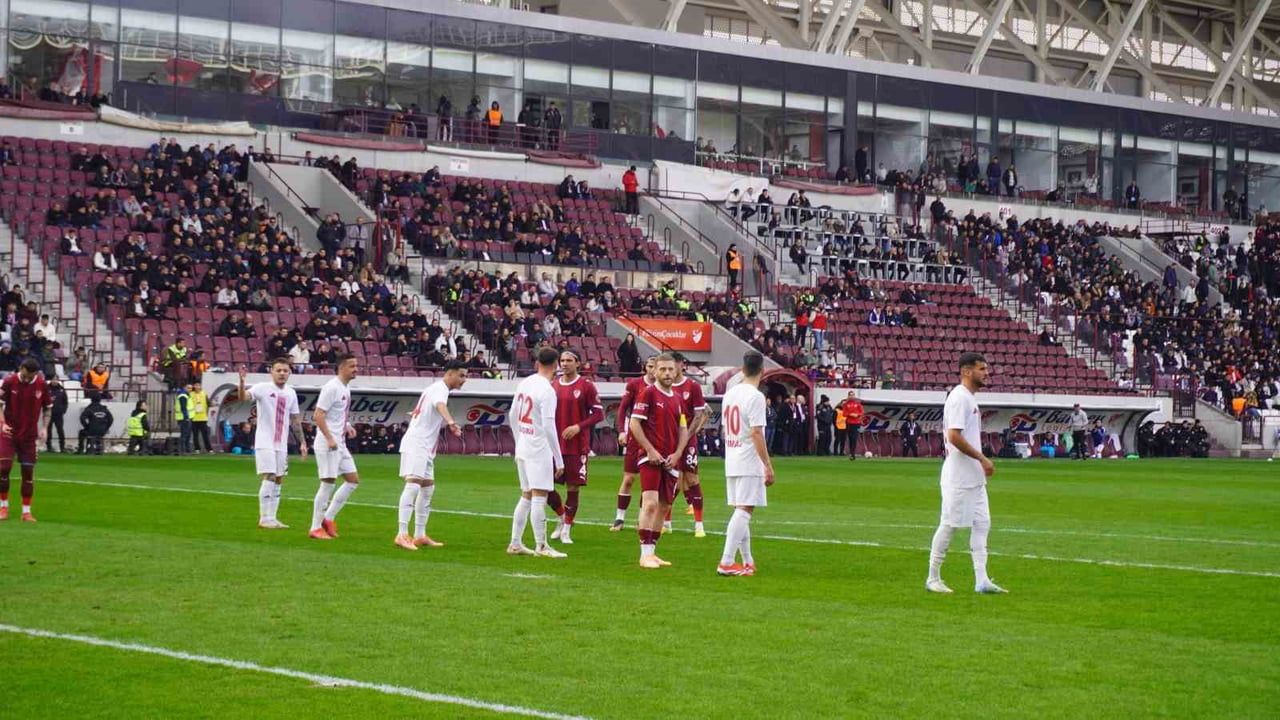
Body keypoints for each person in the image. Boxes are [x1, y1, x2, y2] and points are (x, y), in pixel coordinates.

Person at [926, 352, 1005, 594]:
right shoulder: (960, 398)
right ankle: (933, 578)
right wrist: (982, 458)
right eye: (982, 368)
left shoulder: (969, 398)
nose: (986, 372)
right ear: (966, 371)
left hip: (973, 476)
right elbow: (954, 436)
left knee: (982, 523)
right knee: (949, 524)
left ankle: (981, 580)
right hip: (959, 475)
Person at [395, 360, 466, 550]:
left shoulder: (435, 388)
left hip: (425, 447)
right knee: (413, 486)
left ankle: (420, 535)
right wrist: (451, 422)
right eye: (461, 375)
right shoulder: (440, 389)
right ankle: (401, 534)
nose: (464, 380)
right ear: (450, 373)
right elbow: (440, 405)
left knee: (427, 489)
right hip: (417, 444)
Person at [505, 347, 568, 558]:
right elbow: (550, 427)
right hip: (538, 447)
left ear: (537, 363)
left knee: (526, 496)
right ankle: (542, 546)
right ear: (556, 364)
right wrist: (558, 460)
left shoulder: (526, 382)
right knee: (539, 496)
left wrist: (518, 441)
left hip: (523, 445)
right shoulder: (547, 390)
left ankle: (515, 543)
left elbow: (512, 414)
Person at [628, 353, 689, 569]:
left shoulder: (678, 398)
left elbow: (683, 429)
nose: (667, 373)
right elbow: (634, 424)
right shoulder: (648, 393)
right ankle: (644, 554)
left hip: (671, 459)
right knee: (651, 503)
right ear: (654, 371)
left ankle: (652, 552)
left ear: (677, 370)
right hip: (650, 458)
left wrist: (678, 453)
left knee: (664, 506)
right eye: (662, 369)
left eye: (670, 369)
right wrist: (650, 450)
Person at [717, 351, 773, 576]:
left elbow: (725, 429)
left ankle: (748, 561)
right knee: (744, 510)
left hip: (732, 456)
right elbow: (757, 433)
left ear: (742, 369)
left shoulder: (730, 394)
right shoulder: (756, 396)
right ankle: (726, 561)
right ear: (763, 371)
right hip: (748, 459)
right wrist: (767, 465)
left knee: (742, 509)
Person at [237, 360, 307, 530]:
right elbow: (243, 397)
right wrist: (241, 382)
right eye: (278, 370)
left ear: (289, 373)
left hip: (281, 443)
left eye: (285, 370)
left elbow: (295, 419)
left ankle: (273, 518)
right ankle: (264, 518)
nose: (282, 373)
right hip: (264, 441)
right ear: (272, 372)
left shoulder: (291, 393)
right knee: (269, 476)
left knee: (279, 479)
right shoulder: (262, 388)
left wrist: (302, 442)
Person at [548, 350, 603, 545]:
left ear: (578, 363)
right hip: (554, 445)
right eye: (562, 360)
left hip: (576, 446)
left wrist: (578, 426)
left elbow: (598, 414)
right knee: (545, 486)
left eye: (569, 360)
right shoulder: (553, 385)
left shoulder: (586, 386)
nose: (564, 364)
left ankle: (567, 530)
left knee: (573, 488)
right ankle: (562, 517)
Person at [308, 354, 361, 541]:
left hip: (339, 442)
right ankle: (315, 527)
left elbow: (334, 415)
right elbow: (318, 415)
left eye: (356, 365)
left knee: (353, 480)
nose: (356, 369)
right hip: (328, 443)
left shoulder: (345, 388)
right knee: (328, 483)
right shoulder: (331, 387)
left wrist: (347, 426)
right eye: (352, 366)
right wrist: (330, 438)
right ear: (341, 368)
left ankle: (328, 519)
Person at [0, 359, 52, 521]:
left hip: (29, 435)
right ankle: (3, 508)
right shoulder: (9, 382)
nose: (28, 378)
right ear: (21, 369)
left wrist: (44, 428)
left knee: (28, 472)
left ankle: (26, 512)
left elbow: (47, 409)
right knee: (3, 468)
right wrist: (2, 423)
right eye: (26, 375)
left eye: (32, 376)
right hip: (9, 432)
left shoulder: (42, 385)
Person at [611, 355, 657, 531]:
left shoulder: (664, 388)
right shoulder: (634, 385)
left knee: (649, 482)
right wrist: (622, 431)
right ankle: (619, 518)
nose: (653, 370)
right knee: (629, 478)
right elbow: (623, 408)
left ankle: (642, 518)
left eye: (656, 366)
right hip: (634, 438)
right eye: (651, 366)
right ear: (646, 367)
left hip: (654, 440)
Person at [672, 353, 709, 537]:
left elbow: (700, 414)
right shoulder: (663, 386)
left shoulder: (692, 386)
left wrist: (686, 436)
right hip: (668, 440)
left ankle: (699, 525)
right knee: (672, 481)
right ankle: (666, 523)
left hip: (688, 441)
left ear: (681, 365)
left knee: (692, 479)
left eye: (673, 365)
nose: (670, 370)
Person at [45, 377, 67, 453]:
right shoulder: (46, 389)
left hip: (58, 413)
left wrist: (63, 410)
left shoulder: (61, 389)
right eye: (53, 379)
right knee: (48, 430)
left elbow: (65, 401)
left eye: (56, 380)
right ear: (51, 380)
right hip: (49, 413)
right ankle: (48, 446)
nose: (54, 381)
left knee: (60, 430)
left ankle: (62, 447)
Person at [189, 380, 211, 453]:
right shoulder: (190, 394)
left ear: (200, 386)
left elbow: (208, 403)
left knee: (205, 434)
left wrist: (212, 404)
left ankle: (209, 449)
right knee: (195, 435)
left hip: (203, 417)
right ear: (194, 386)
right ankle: (197, 449)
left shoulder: (204, 394)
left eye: (199, 385)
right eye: (196, 385)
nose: (197, 387)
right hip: (194, 417)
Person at [842, 391, 864, 459]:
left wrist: (857, 415)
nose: (851, 396)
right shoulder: (846, 404)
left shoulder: (858, 403)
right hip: (849, 423)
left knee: (854, 438)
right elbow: (844, 413)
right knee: (850, 438)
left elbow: (862, 412)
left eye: (853, 395)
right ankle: (851, 453)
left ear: (854, 396)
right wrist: (850, 414)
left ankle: (853, 453)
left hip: (857, 423)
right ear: (848, 396)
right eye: (850, 395)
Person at [173, 383, 193, 455]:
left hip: (186, 417)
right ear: (184, 388)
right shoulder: (183, 396)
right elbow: (183, 408)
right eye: (188, 388)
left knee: (187, 434)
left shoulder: (186, 395)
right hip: (184, 418)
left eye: (191, 388)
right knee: (184, 434)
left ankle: (186, 450)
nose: (190, 390)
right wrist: (186, 417)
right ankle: (183, 450)